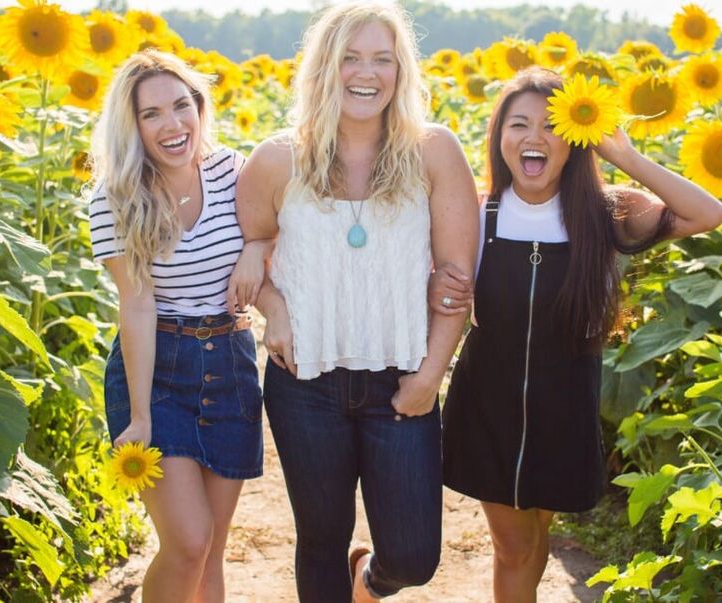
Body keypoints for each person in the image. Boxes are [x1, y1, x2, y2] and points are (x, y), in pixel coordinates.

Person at [431, 67, 722, 602]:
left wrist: (626, 158)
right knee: (515, 545)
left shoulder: (604, 212)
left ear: (574, 141)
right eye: (517, 124)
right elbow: (436, 285)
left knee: (539, 529)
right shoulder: (478, 212)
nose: (533, 138)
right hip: (488, 404)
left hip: (565, 402)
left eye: (550, 126)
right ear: (500, 138)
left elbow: (709, 213)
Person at [235, 2, 479, 601]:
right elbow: (247, 261)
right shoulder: (276, 160)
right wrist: (278, 310)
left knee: (415, 557)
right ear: (324, 67)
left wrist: (429, 377)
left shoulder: (433, 152)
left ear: (401, 72)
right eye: (349, 57)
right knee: (320, 539)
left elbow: (456, 282)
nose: (365, 73)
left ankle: (368, 581)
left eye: (381, 58)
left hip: (400, 386)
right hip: (304, 384)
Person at [88, 49, 267, 603]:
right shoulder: (114, 198)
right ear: (132, 126)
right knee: (187, 542)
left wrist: (257, 247)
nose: (172, 125)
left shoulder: (233, 171)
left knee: (213, 547)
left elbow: (271, 226)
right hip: (157, 368)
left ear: (199, 107)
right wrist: (140, 415)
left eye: (181, 106)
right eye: (152, 114)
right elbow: (137, 307)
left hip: (231, 362)